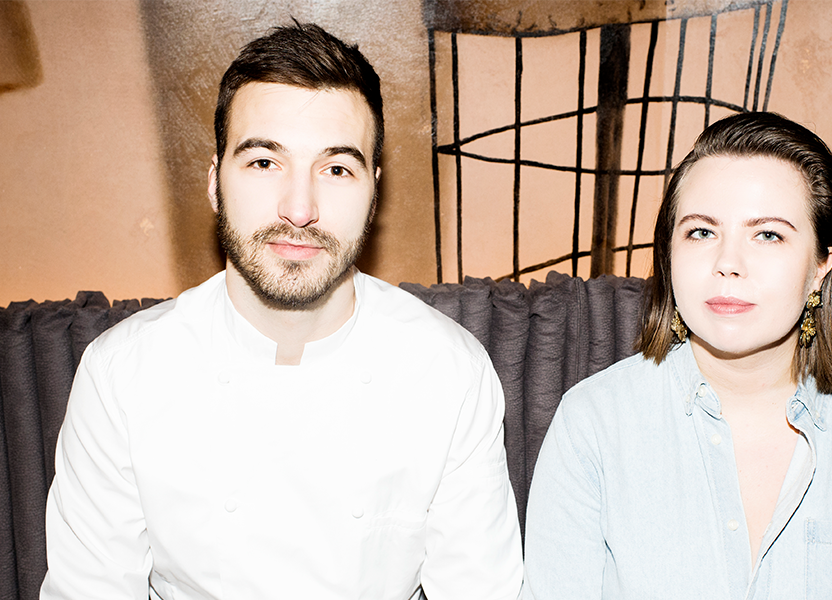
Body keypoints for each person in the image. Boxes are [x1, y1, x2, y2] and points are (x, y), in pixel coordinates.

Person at [41, 22, 522, 600]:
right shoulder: (122, 375)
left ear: (374, 191)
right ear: (215, 183)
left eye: (336, 169)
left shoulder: (449, 371)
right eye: (265, 162)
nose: (299, 208)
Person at [522, 112, 832, 599]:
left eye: (768, 235)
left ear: (821, 266)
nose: (728, 263)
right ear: (669, 253)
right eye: (702, 232)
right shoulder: (591, 424)